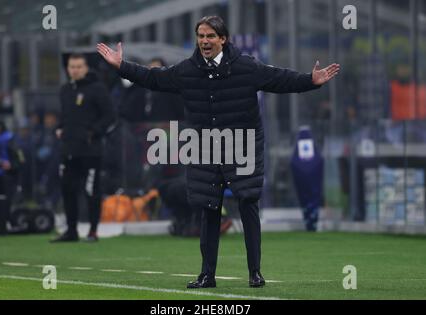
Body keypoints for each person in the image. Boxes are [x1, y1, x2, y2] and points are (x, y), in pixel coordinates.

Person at [97, 16, 339, 287]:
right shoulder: (187, 70)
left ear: (223, 39)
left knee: (248, 204)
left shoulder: (246, 66)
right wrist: (122, 66)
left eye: (210, 36)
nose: (204, 41)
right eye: (200, 36)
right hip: (204, 148)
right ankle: (207, 275)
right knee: (208, 209)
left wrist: (311, 80)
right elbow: (154, 79)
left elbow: (280, 79)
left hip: (242, 145)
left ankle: (254, 273)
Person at [51, 53, 115, 243]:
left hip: (90, 151)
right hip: (68, 149)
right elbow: (65, 116)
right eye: (72, 67)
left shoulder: (97, 89)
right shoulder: (65, 90)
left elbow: (110, 117)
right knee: (67, 190)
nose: (75, 70)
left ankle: (93, 231)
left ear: (86, 68)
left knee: (91, 191)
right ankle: (71, 231)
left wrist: (93, 132)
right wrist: (59, 128)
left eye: (79, 66)